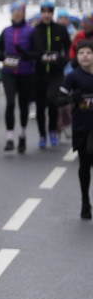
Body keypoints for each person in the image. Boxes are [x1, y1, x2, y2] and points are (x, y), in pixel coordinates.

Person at [58, 40, 93, 219]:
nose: (85, 56)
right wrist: (73, 97)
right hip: (80, 127)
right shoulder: (73, 77)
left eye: (88, 52)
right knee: (84, 165)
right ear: (77, 57)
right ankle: (85, 200)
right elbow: (59, 100)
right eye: (81, 53)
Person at [31, 0, 72, 148]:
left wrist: (64, 59)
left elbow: (68, 46)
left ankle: (53, 131)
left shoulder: (60, 30)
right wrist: (36, 57)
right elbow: (30, 49)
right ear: (40, 14)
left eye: (49, 12)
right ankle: (42, 134)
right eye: (44, 12)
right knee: (40, 105)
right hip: (39, 73)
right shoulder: (35, 30)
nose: (46, 15)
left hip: (56, 72)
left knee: (52, 100)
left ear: (52, 14)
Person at [0, 1, 36, 153]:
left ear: (23, 13)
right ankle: (10, 138)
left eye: (19, 11)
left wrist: (25, 53)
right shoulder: (6, 31)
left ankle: (22, 134)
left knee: (23, 105)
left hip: (26, 72)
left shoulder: (30, 31)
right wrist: (0, 56)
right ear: (11, 13)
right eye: (14, 11)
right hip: (8, 73)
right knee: (11, 103)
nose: (17, 13)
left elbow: (36, 53)